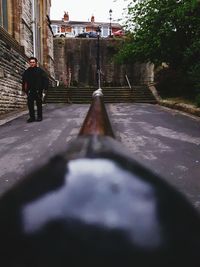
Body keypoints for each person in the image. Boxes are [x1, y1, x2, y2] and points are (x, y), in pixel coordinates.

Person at [22, 57, 48, 122]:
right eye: (31, 62)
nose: (32, 63)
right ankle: (32, 117)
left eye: (33, 62)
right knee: (30, 105)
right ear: (29, 63)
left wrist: (44, 89)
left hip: (38, 90)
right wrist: (24, 90)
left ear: (36, 63)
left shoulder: (40, 71)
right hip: (30, 91)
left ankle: (39, 117)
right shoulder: (26, 72)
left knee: (39, 104)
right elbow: (24, 81)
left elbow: (45, 79)